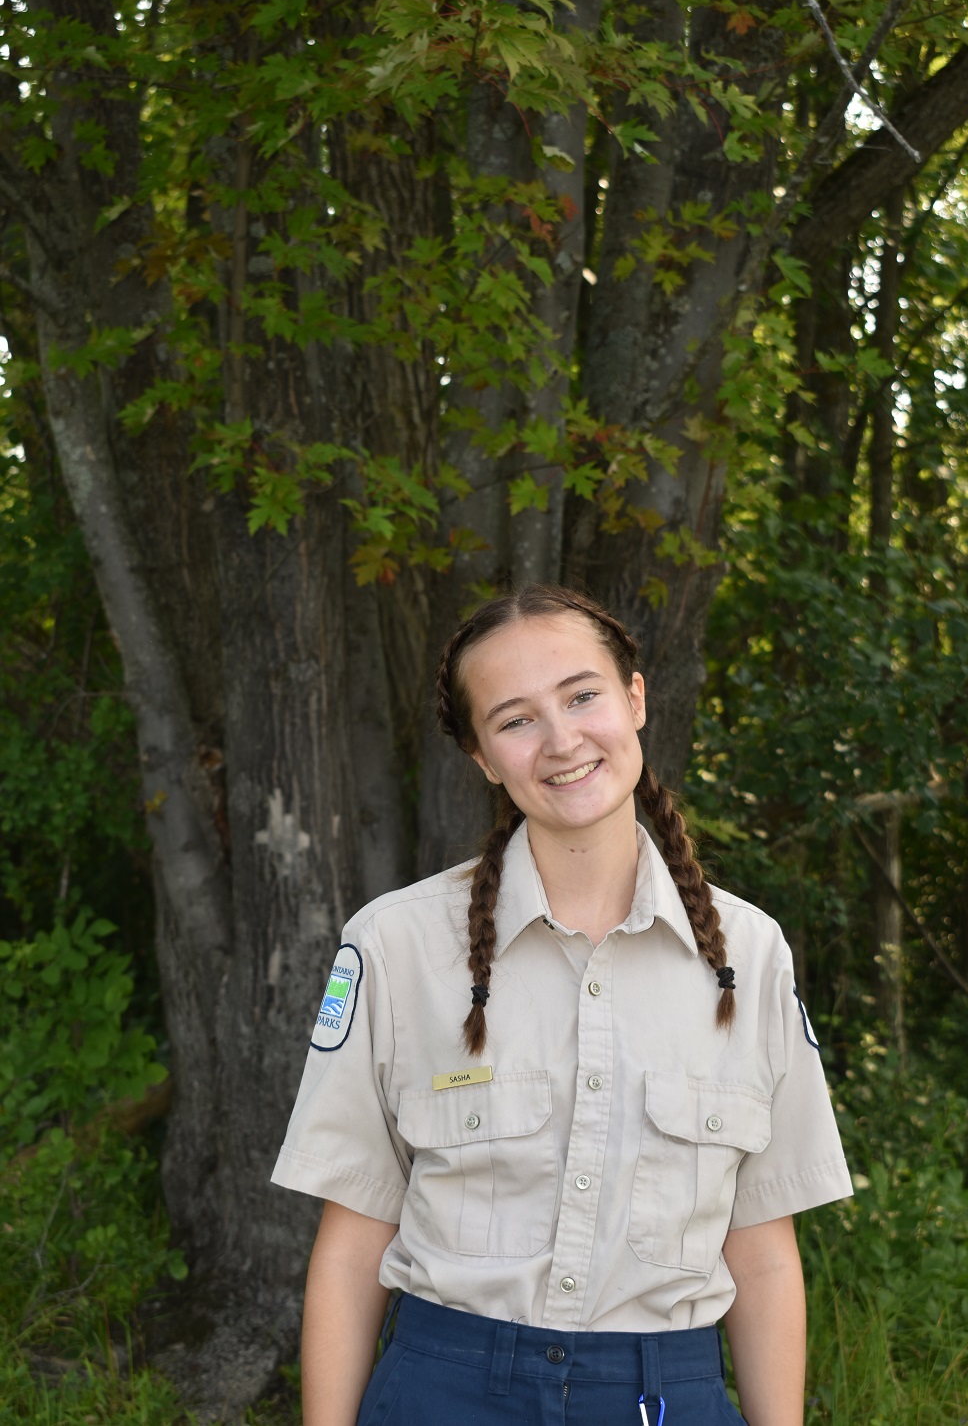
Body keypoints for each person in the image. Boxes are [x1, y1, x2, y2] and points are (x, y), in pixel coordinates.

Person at [272, 584, 853, 1426]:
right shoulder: (395, 947)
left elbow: (761, 1250)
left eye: (582, 696)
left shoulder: (749, 955)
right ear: (481, 756)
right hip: (446, 1389)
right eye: (515, 720)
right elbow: (353, 1239)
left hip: (667, 1391)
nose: (561, 740)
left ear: (636, 699)